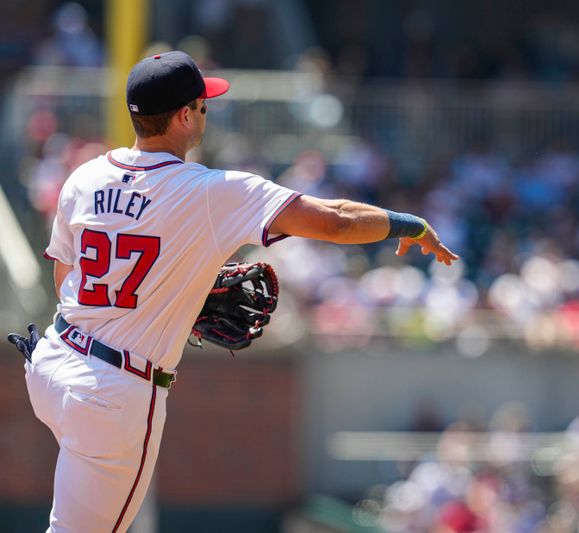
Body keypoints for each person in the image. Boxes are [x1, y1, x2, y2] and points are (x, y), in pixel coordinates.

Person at [13, 51, 458, 532]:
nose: (207, 112)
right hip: (112, 394)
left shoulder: (85, 175)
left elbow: (67, 278)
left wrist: (160, 303)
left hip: (54, 363)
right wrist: (409, 225)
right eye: (203, 105)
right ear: (184, 115)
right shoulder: (211, 191)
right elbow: (336, 221)